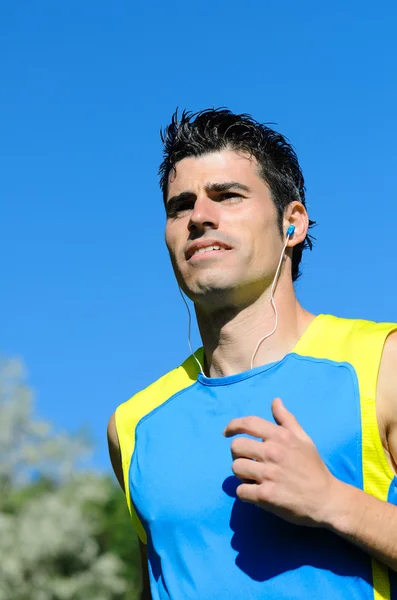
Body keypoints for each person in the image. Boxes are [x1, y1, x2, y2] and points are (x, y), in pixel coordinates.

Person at [107, 108, 397, 600]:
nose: (199, 216)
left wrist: (334, 502)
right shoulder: (132, 425)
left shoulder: (381, 365)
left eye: (228, 196)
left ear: (293, 224)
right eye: (180, 206)